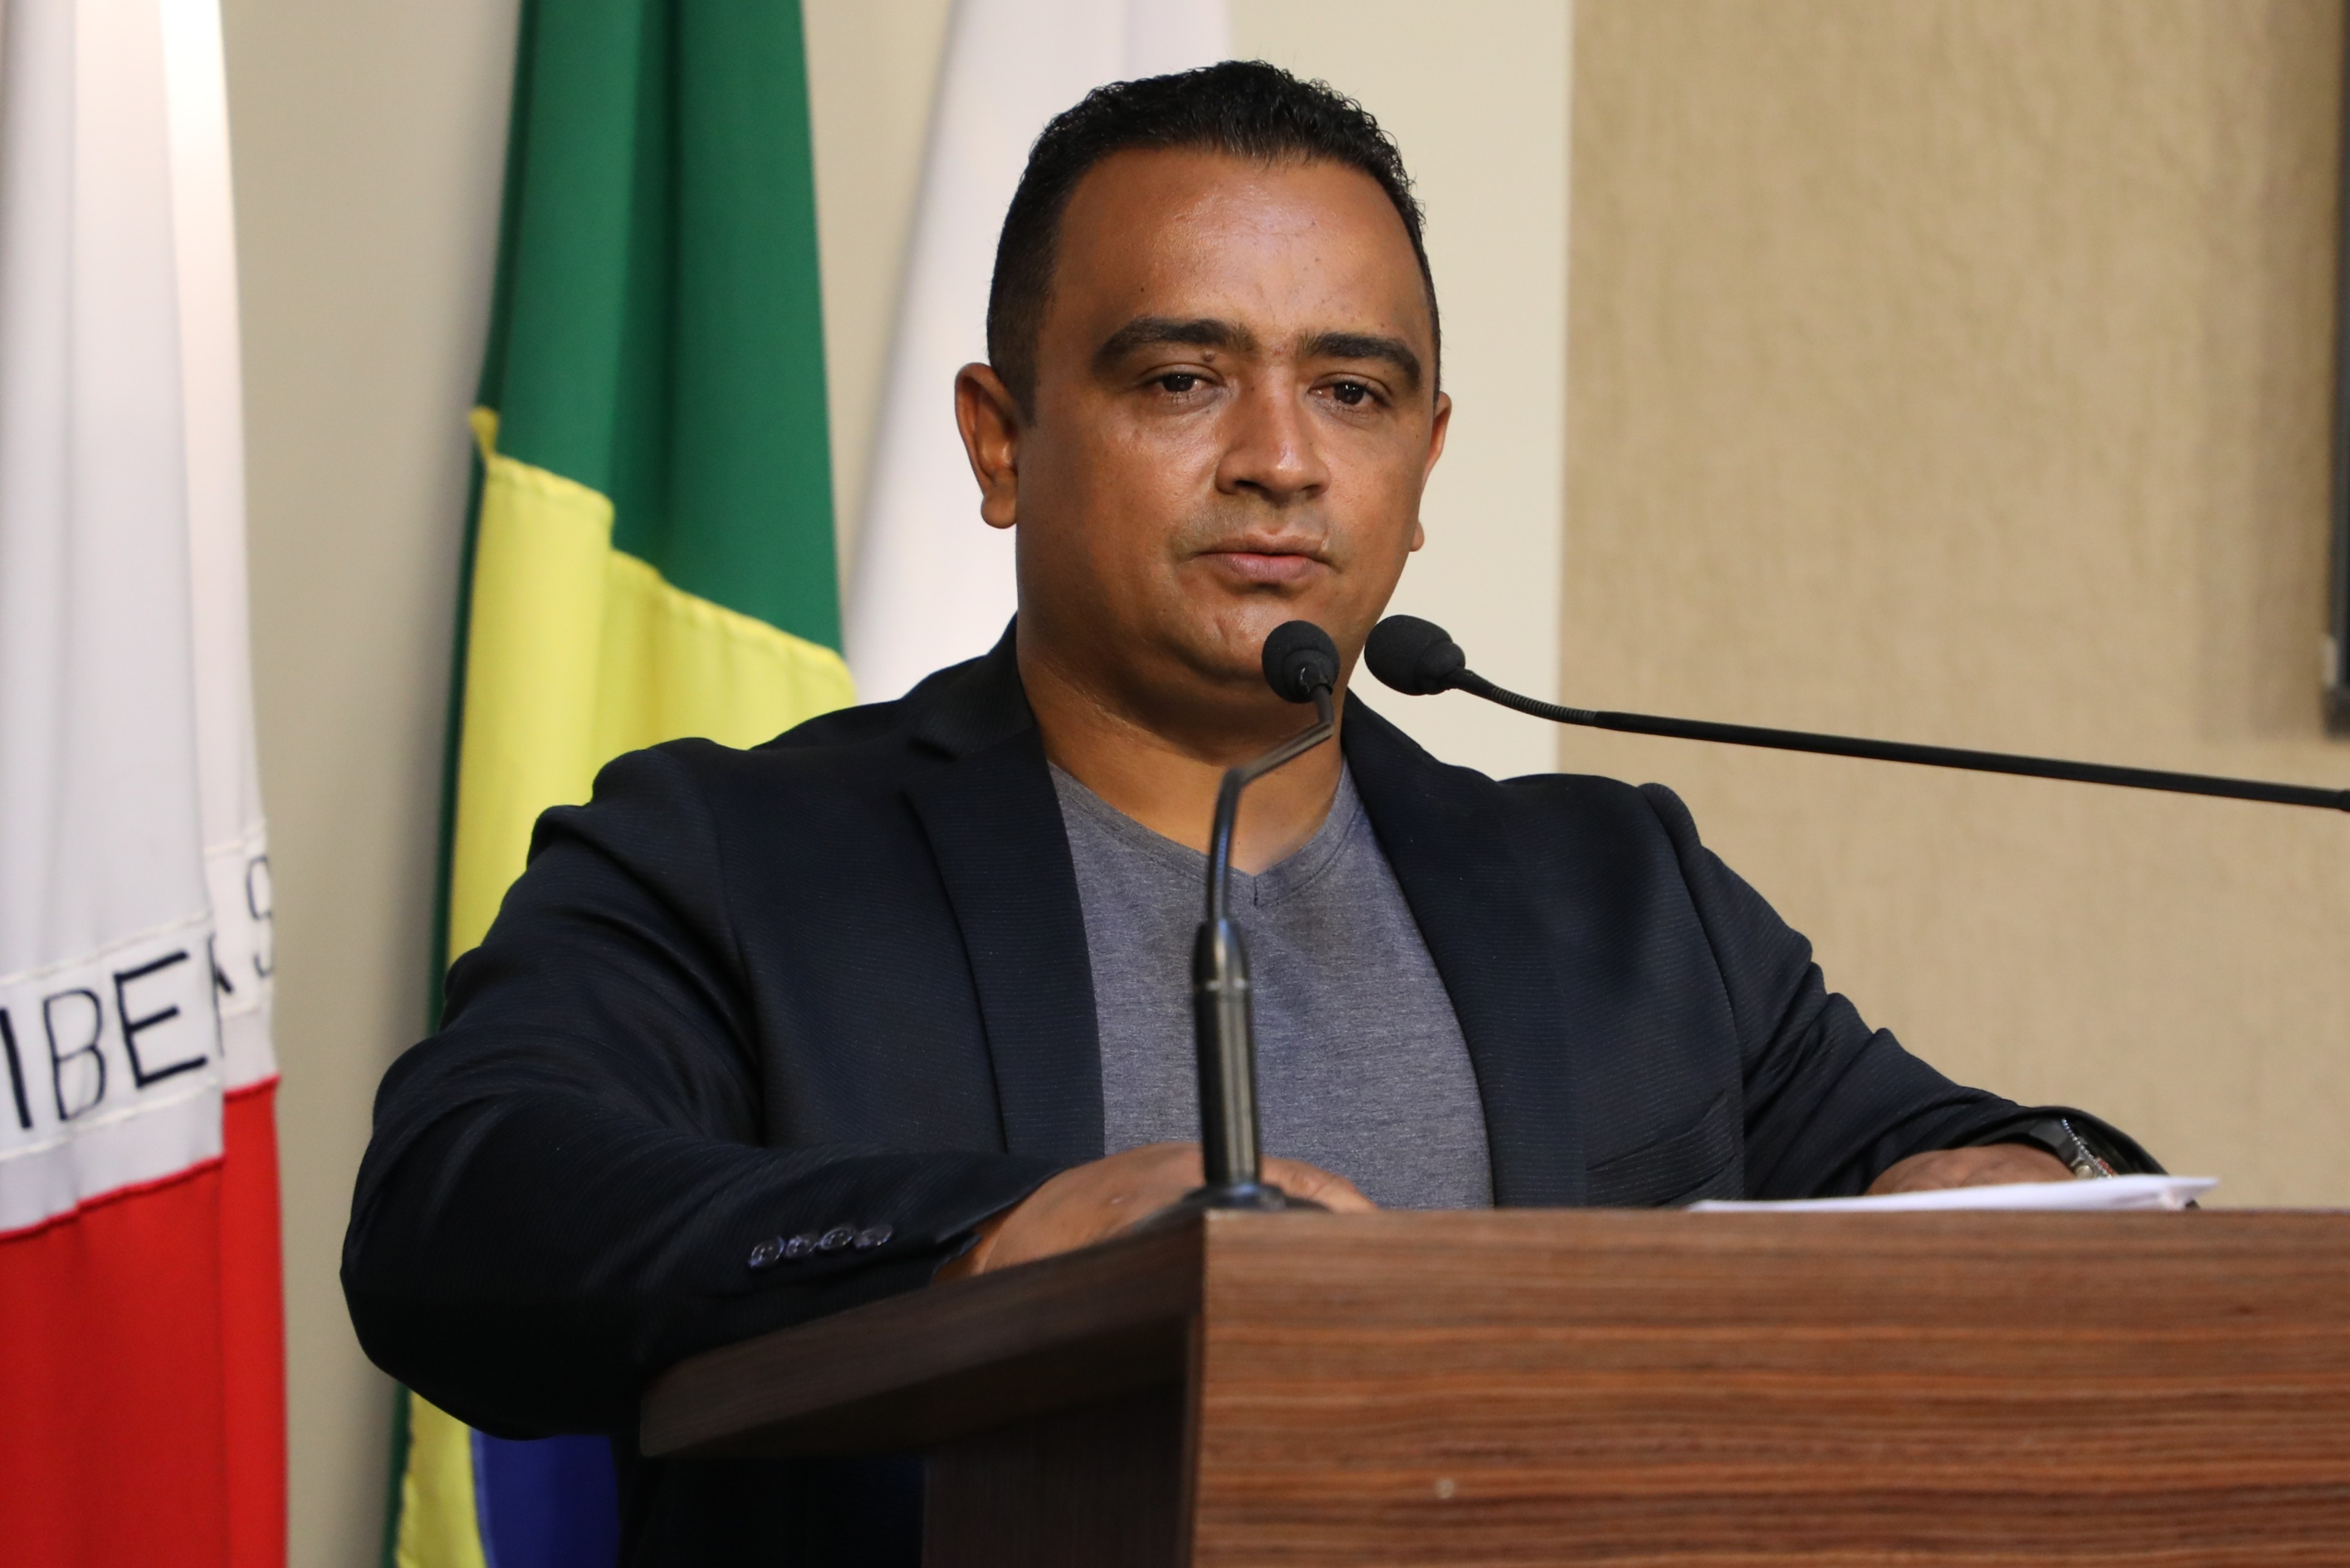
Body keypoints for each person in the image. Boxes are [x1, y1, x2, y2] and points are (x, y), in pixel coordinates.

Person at [344, 60, 2155, 1565]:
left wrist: (2032, 1185)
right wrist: (1001, 1241)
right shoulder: (734, 858)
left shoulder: (1616, 893)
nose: (1282, 459)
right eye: (1183, 379)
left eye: (1352, 392)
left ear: (1422, 465)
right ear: (1000, 439)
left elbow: (1958, 1155)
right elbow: (461, 1210)